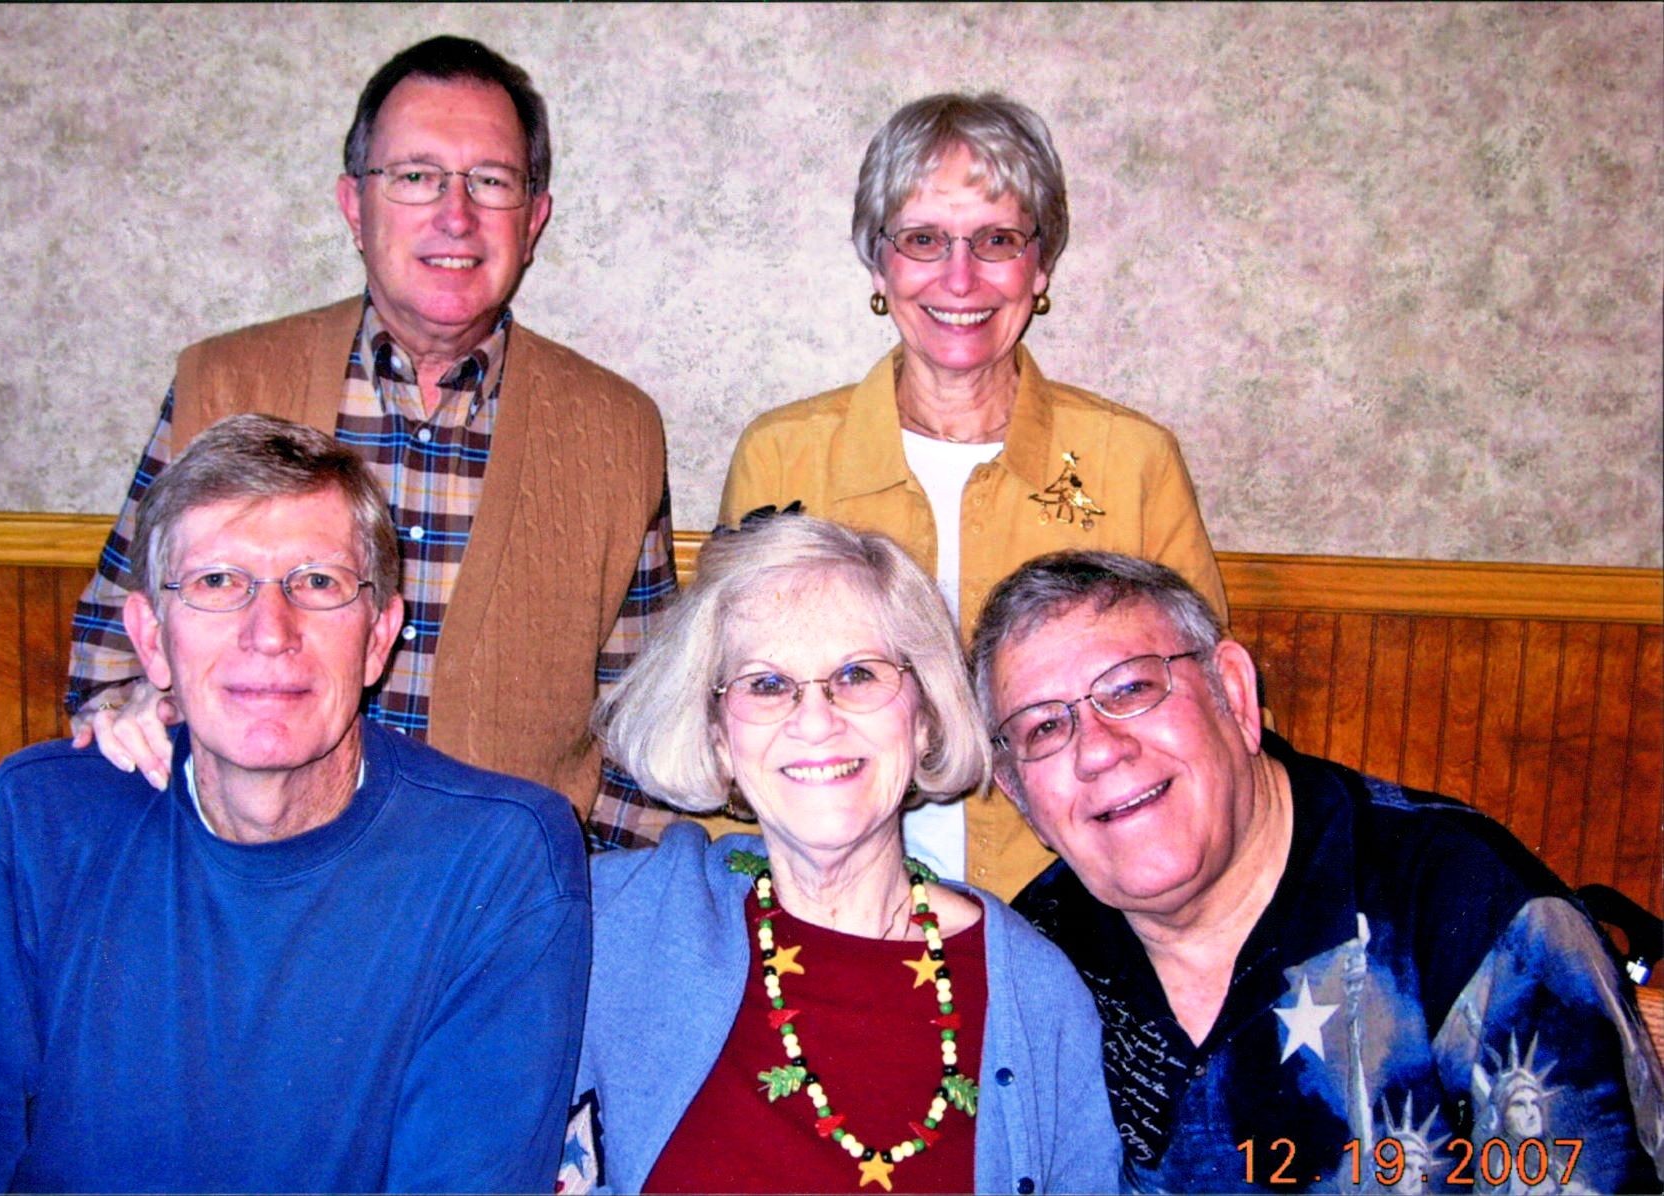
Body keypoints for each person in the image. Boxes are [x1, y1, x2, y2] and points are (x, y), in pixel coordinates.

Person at [0, 416, 591, 1193]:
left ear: (379, 638)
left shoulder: (499, 858)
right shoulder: (42, 820)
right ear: (151, 639)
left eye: (318, 583)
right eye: (216, 582)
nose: (269, 633)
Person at [67, 35, 676, 848]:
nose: (455, 215)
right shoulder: (224, 385)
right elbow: (111, 662)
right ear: (355, 207)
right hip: (249, 880)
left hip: (496, 899)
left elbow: (648, 729)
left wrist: (587, 895)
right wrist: (129, 711)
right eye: (416, 176)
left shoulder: (616, 431)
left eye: (491, 181)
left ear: (533, 222)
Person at [971, 550, 1664, 1193]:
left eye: (1130, 689)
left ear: (1234, 694)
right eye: (1043, 728)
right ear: (1020, 795)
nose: (1097, 750)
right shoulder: (1028, 962)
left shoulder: (1471, 913)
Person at [718, 92, 1225, 901]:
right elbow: (734, 710)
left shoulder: (1130, 461)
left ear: (1040, 265)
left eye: (997, 240)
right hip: (832, 897)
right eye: (924, 240)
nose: (960, 278)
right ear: (879, 263)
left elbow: (1203, 722)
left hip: (1077, 898)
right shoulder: (783, 457)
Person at [566, 514, 1120, 1194]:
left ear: (924, 718)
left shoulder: (1034, 995)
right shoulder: (614, 923)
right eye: (767, 684)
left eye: (857, 674)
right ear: (717, 739)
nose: (816, 720)